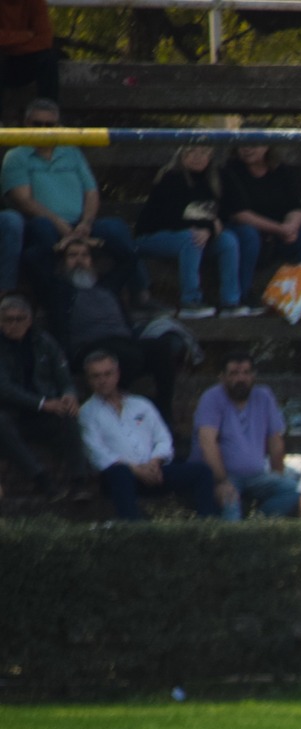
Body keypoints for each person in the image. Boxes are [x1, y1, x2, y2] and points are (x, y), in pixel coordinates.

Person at [2, 100, 141, 309]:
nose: (43, 130)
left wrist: (86, 223)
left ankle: (140, 293)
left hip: (81, 223)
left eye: (49, 125)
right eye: (37, 124)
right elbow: (24, 201)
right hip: (43, 222)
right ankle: (51, 299)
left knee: (117, 227)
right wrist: (62, 226)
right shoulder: (16, 157)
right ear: (26, 124)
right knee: (42, 229)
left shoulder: (71, 152)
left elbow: (91, 191)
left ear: (57, 126)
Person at [79, 350, 218, 520]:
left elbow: (163, 438)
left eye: (107, 374)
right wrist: (136, 470)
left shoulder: (141, 404)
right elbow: (97, 453)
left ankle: (208, 526)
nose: (103, 380)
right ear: (88, 379)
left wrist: (154, 462)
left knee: (202, 472)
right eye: (96, 376)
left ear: (117, 374)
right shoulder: (86, 413)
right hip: (120, 477)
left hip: (154, 470)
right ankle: (135, 528)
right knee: (119, 473)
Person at [56, 237, 181, 409]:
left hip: (124, 342)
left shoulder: (107, 284)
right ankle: (115, 406)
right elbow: (34, 259)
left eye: (84, 255)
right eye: (73, 255)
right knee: (129, 355)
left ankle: (164, 411)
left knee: (162, 348)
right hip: (88, 347)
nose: (79, 260)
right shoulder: (58, 289)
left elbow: (130, 258)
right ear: (63, 262)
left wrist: (100, 242)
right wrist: (59, 245)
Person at [135, 145, 248, 321]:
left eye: (203, 152)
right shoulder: (171, 178)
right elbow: (170, 217)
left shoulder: (218, 178)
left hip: (196, 236)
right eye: (191, 152)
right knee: (192, 238)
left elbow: (226, 212)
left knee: (228, 240)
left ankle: (230, 301)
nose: (197, 157)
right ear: (182, 155)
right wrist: (208, 226)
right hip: (153, 236)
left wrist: (210, 227)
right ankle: (191, 301)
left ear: (210, 155)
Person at [194, 351, 297, 520]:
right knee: (230, 501)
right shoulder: (211, 398)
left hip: (257, 476)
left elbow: (276, 441)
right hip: (224, 477)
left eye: (246, 373)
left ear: (253, 376)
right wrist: (221, 481)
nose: (241, 378)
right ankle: (235, 537)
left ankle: (258, 524)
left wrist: (277, 474)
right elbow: (207, 443)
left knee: (293, 490)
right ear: (222, 377)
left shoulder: (264, 396)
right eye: (234, 373)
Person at [221, 144, 301, 310]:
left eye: (253, 143)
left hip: (280, 236)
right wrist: (279, 228)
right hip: (250, 234)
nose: (247, 148)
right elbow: (240, 214)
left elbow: (296, 207)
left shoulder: (280, 171)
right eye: (242, 144)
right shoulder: (231, 172)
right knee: (248, 235)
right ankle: (243, 296)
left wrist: (291, 226)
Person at [0, 293, 84, 495]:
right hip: (13, 413)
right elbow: (4, 388)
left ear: (29, 320)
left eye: (19, 319)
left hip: (44, 411)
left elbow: (64, 376)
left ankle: (80, 480)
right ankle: (40, 478)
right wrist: (42, 403)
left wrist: (69, 394)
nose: (14, 325)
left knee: (69, 414)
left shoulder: (44, 342)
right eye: (8, 320)